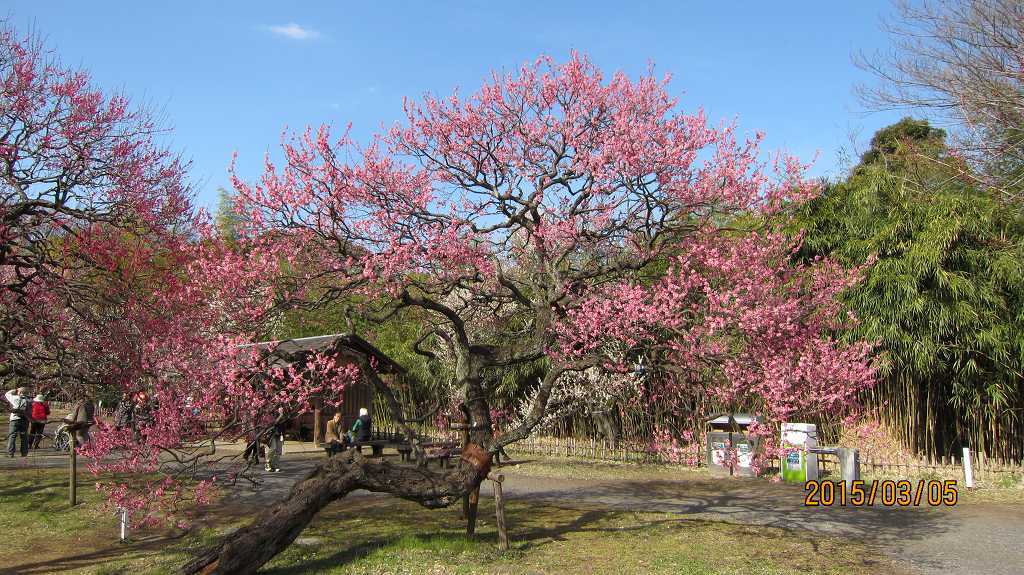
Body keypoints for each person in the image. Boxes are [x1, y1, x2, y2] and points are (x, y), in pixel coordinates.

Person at [5, 387, 32, 457]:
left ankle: (10, 453)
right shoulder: (29, 400)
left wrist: (15, 390)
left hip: (15, 419)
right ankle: (24, 453)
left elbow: (7, 394)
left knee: (12, 435)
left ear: (19, 392)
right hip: (25, 419)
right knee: (24, 436)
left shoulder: (15, 398)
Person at [262, 408, 287, 472]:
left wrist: (284, 436)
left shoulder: (285, 415)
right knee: (273, 448)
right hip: (272, 435)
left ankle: (275, 465)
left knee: (279, 451)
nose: (282, 410)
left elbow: (284, 426)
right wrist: (280, 416)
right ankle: (267, 464)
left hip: (280, 435)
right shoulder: (273, 414)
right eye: (281, 409)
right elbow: (274, 423)